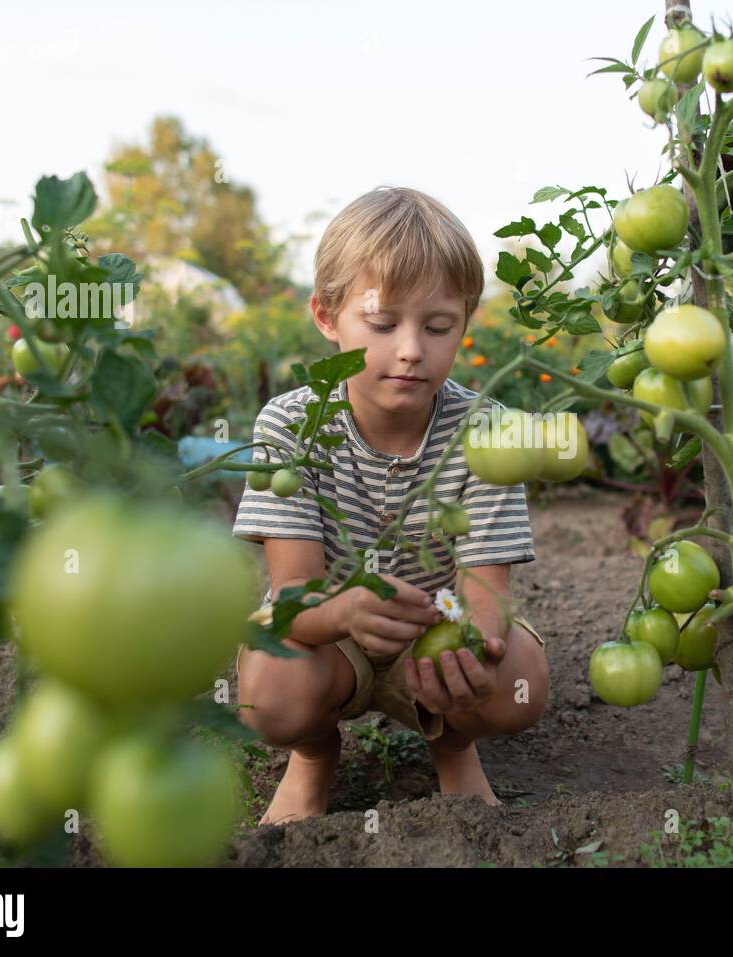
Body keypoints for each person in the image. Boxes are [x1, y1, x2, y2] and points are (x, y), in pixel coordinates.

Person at [232, 186, 549, 825]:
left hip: (434, 634)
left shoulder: (490, 433)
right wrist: (346, 610)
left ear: (465, 320)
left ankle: (454, 746)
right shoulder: (292, 426)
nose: (411, 349)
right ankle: (313, 756)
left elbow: (485, 591)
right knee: (271, 692)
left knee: (521, 683)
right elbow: (292, 592)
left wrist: (474, 649)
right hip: (327, 638)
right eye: (382, 324)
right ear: (327, 317)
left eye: (438, 326)